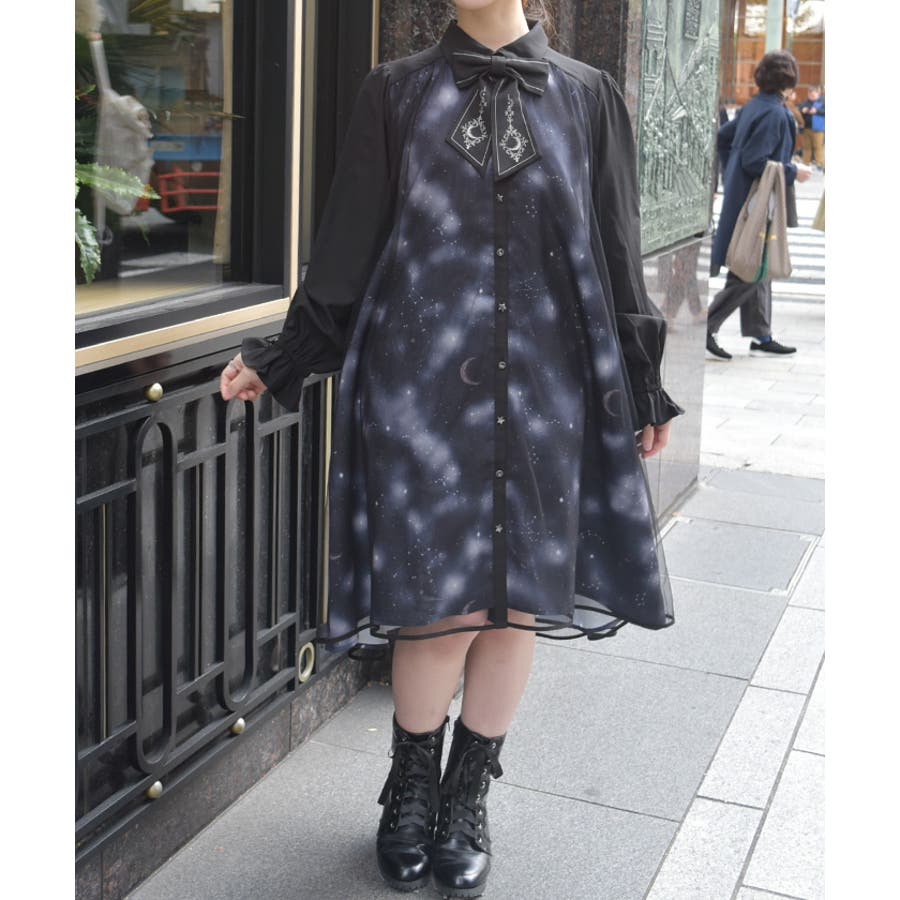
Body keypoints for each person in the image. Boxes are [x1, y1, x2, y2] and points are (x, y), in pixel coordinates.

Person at [220, 1, 683, 896]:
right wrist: (284, 359)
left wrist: (641, 379)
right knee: (437, 605)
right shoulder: (394, 91)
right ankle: (410, 792)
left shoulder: (588, 95)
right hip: (421, 391)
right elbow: (347, 243)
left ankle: (467, 795)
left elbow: (616, 245)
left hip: (548, 388)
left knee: (513, 604)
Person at [707, 50, 812, 360]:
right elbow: (755, 160)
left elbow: (723, 139)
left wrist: (731, 174)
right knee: (752, 266)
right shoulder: (776, 113)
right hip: (759, 204)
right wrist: (793, 171)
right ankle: (707, 325)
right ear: (789, 81)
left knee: (756, 262)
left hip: (743, 198)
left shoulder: (754, 106)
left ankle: (761, 333)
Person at [799, 84, 825, 170]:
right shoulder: (805, 103)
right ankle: (805, 163)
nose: (811, 96)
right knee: (807, 147)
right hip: (806, 128)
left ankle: (819, 164)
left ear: (818, 94)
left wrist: (817, 111)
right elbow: (799, 109)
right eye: (810, 94)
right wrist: (803, 110)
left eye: (813, 94)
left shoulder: (822, 102)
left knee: (818, 147)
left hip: (818, 129)